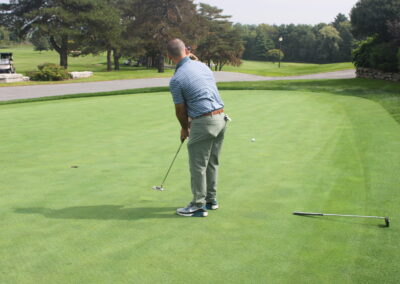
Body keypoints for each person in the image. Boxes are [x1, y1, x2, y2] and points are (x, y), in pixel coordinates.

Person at [167, 38, 229, 217]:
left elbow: (180, 111)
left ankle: (198, 205)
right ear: (186, 50)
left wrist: (184, 128)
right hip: (221, 118)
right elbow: (193, 63)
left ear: (169, 57)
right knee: (211, 163)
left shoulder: (176, 79)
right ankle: (211, 200)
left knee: (198, 166)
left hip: (204, 123)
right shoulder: (203, 66)